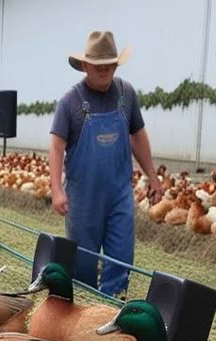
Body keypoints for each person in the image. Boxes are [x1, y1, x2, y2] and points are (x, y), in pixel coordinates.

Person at [48, 31, 162, 299]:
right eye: (98, 66)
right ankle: (85, 313)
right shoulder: (70, 102)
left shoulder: (127, 94)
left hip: (119, 194)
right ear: (86, 65)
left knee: (121, 259)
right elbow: (56, 146)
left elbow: (138, 136)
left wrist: (153, 177)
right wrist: (56, 188)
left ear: (116, 64)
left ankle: (113, 306)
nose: (104, 71)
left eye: (109, 65)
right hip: (83, 199)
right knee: (83, 264)